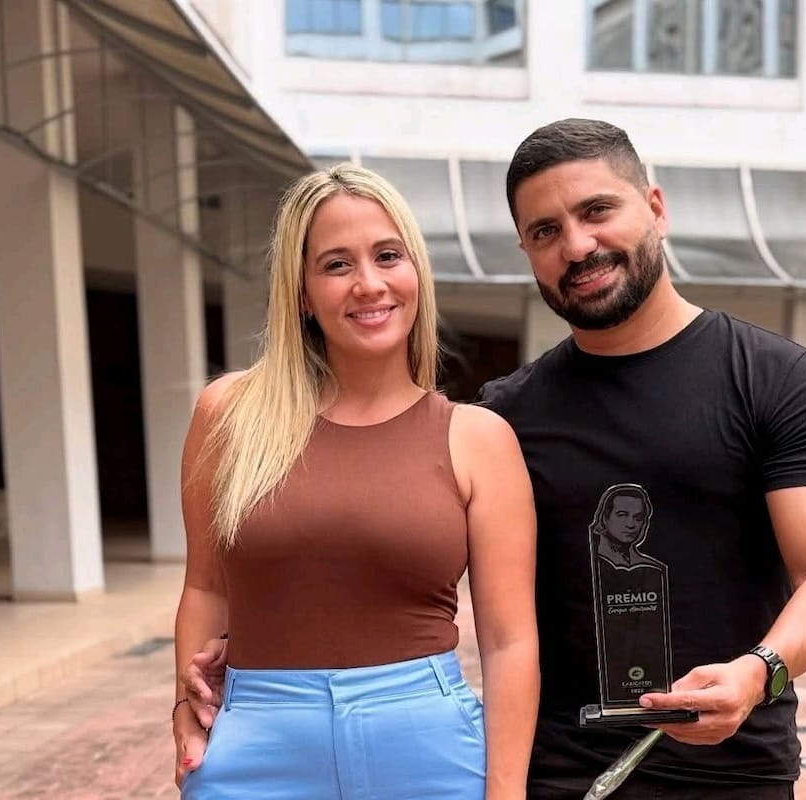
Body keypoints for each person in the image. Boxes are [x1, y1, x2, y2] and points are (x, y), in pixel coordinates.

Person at [181, 120, 806, 799]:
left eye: (597, 210)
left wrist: (760, 671)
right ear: (526, 251)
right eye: (545, 231)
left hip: (731, 771)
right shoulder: (505, 415)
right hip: (561, 773)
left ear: (655, 208)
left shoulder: (771, 376)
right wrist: (247, 657)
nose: (577, 244)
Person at [171, 163, 539, 800]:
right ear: (303, 293)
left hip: (427, 745)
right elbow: (205, 586)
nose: (369, 284)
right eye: (337, 264)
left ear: (415, 271)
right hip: (256, 741)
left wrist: (504, 793)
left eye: (387, 255)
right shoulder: (227, 415)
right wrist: (186, 709)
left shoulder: (478, 438)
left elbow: (509, 642)